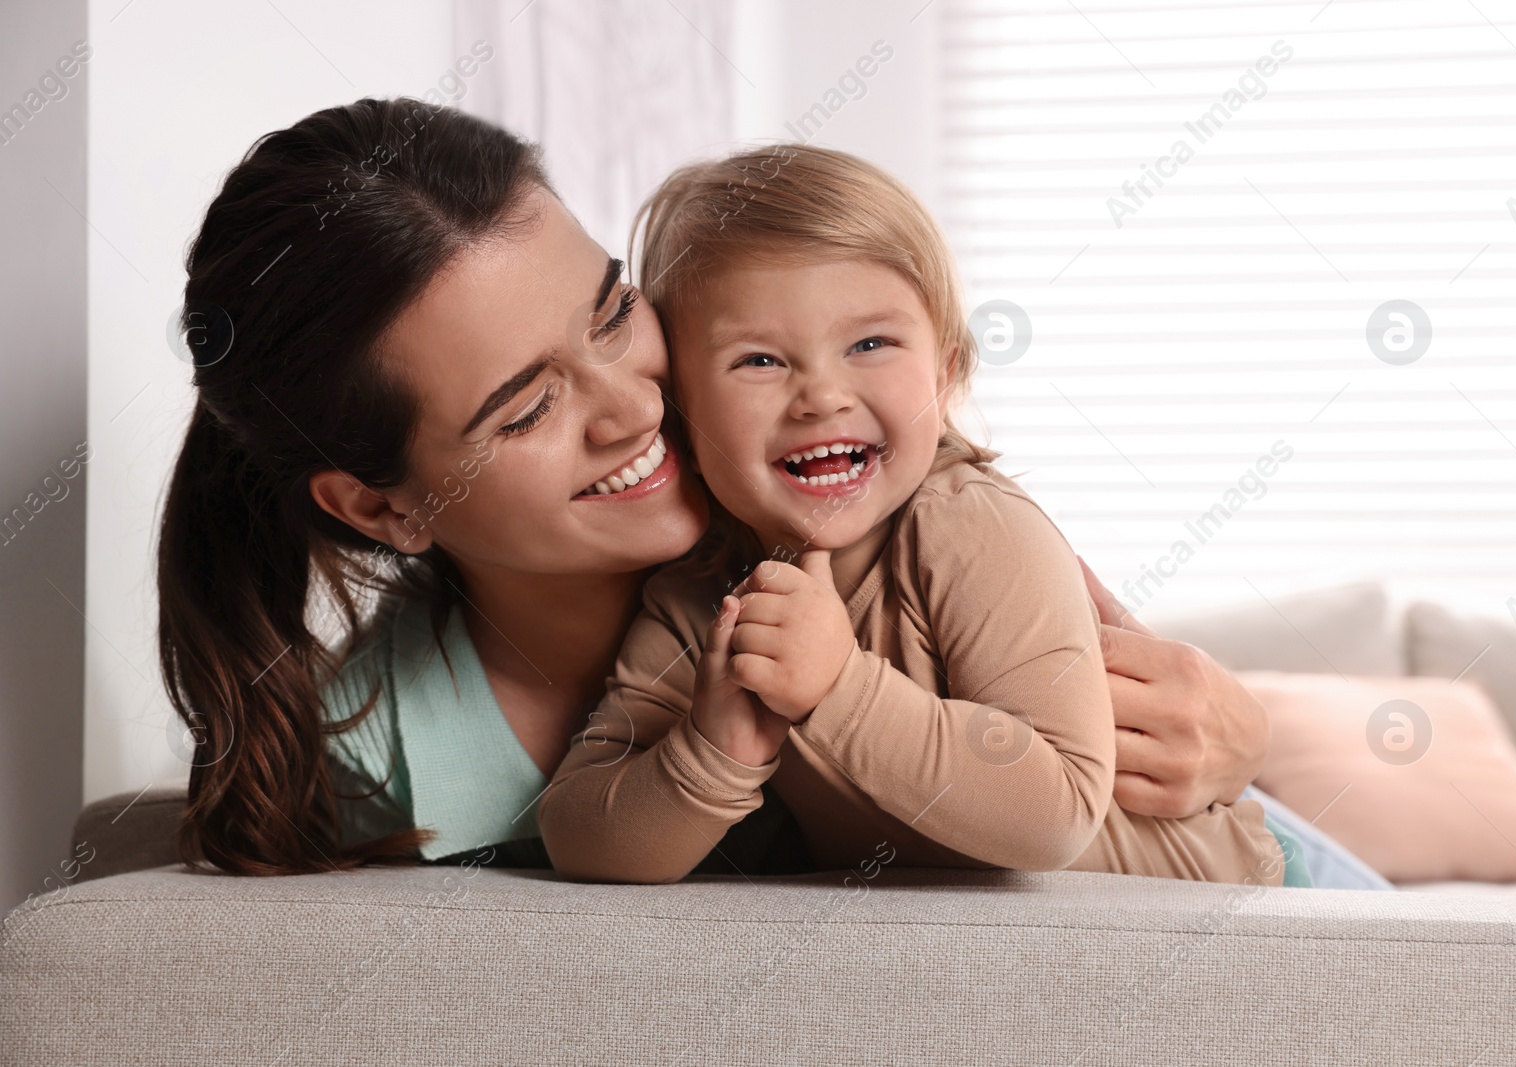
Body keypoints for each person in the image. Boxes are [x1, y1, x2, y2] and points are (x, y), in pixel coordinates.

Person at [156, 96, 1380, 889]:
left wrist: (1241, 727)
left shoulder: (893, 519)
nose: (635, 405)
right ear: (383, 507)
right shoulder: (375, 763)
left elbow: (1095, 765)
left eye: (611, 309)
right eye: (526, 406)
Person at [536, 145, 1308, 888]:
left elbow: (1055, 815)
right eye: (759, 360)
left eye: (870, 343)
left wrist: (838, 690)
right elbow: (578, 833)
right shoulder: (702, 595)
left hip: (1254, 894)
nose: (822, 395)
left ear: (945, 375)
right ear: (683, 418)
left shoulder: (972, 528)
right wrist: (711, 753)